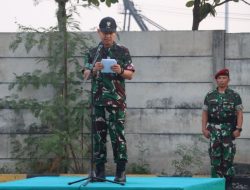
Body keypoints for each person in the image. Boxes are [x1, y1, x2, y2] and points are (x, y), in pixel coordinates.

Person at [82, 17, 135, 183]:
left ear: (115, 32)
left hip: (117, 102)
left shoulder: (123, 51)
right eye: (104, 32)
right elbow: (85, 74)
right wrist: (94, 69)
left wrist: (120, 70)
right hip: (98, 102)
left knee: (118, 136)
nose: (107, 36)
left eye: (110, 33)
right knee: (98, 136)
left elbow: (131, 74)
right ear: (99, 32)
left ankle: (120, 171)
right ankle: (99, 171)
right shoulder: (92, 52)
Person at [201, 68, 243, 190]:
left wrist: (238, 129)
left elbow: (239, 113)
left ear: (228, 80)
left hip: (229, 131)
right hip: (213, 131)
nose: (222, 80)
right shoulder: (210, 95)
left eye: (224, 78)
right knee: (215, 159)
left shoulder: (234, 95)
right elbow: (204, 113)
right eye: (219, 78)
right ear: (216, 80)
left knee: (228, 158)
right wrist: (204, 129)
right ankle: (216, 185)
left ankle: (228, 185)